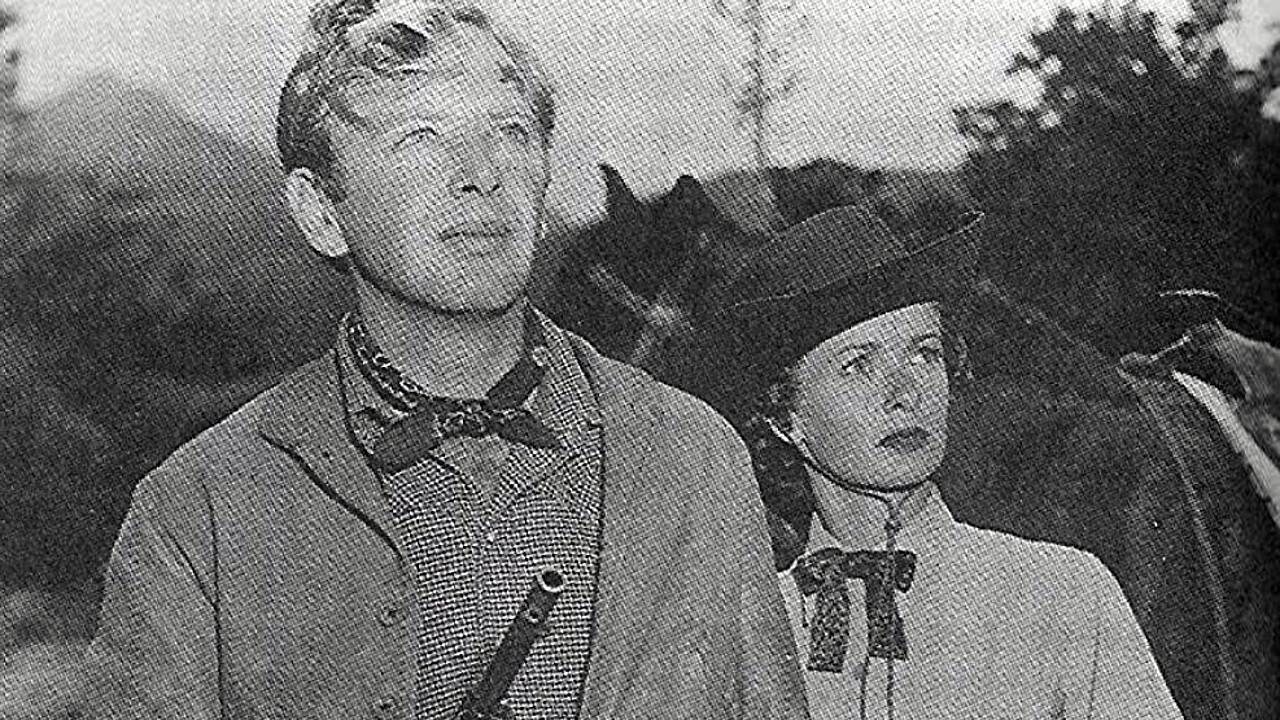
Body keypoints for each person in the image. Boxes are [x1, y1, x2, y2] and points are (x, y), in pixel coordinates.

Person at [79, 2, 807, 718]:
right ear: (322, 212)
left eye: (510, 131)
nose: (482, 174)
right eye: (420, 136)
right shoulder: (199, 512)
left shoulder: (693, 455)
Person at [714, 204, 1182, 719]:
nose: (905, 393)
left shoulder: (1061, 593)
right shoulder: (747, 637)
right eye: (859, 366)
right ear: (785, 418)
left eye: (924, 353)